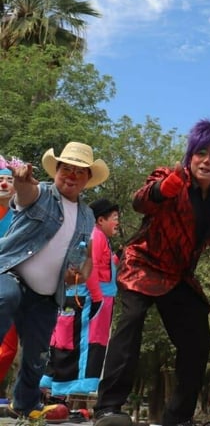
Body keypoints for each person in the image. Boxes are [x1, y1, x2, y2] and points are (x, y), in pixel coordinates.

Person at [93, 119, 210, 426]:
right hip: (143, 263)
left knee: (198, 340)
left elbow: (209, 237)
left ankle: (178, 417)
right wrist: (163, 188)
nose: (206, 161)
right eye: (201, 153)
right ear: (191, 154)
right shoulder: (168, 175)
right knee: (131, 322)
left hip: (179, 275)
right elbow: (139, 202)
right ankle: (108, 408)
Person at [0, 142, 109, 421]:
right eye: (66, 169)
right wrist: (22, 182)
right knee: (5, 297)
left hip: (48, 295)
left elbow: (83, 258)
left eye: (79, 172)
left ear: (87, 179)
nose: (71, 175)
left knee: (38, 354)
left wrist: (81, 273)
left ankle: (24, 404)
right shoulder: (42, 193)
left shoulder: (86, 216)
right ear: (56, 170)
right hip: (10, 274)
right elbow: (24, 196)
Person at [40, 198, 121, 403]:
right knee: (80, 346)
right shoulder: (96, 235)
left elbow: (102, 265)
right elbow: (89, 267)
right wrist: (96, 298)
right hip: (87, 298)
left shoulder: (100, 237)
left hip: (88, 297)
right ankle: (62, 398)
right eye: (114, 218)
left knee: (68, 343)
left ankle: (56, 396)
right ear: (100, 220)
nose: (117, 223)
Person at [0, 156, 24, 397]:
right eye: (0, 179)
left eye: (9, 179)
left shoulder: (21, 216)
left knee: (8, 348)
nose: (4, 184)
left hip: (10, 282)